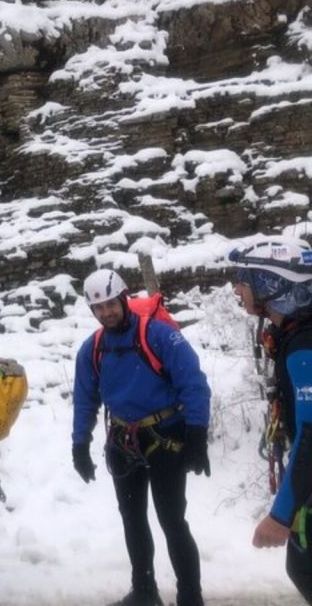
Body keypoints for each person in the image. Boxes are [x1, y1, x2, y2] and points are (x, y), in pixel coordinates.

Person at [71, 269, 211, 606]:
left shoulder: (159, 335)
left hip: (166, 437)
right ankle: (144, 591)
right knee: (132, 519)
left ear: (123, 299)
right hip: (122, 440)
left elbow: (193, 384)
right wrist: (79, 444)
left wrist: (197, 435)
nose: (106, 313)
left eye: (110, 304)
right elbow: (84, 399)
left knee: (171, 520)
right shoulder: (92, 350)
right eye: (99, 308)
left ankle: (190, 598)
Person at [230, 237, 312, 603]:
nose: (236, 289)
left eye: (243, 279)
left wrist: (281, 515)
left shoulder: (303, 345)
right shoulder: (292, 334)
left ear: (270, 282)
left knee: (304, 567)